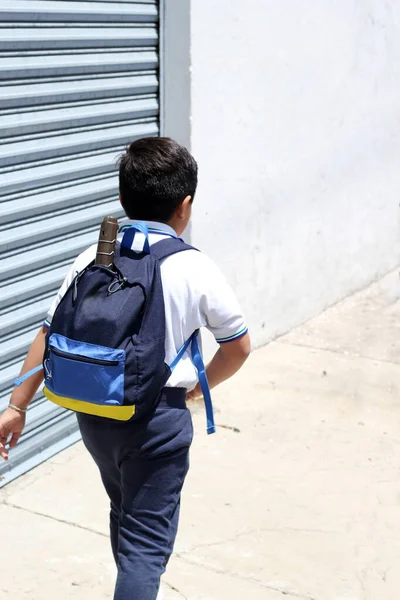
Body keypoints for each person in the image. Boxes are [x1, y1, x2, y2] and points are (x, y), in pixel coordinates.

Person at [0, 137, 251, 600]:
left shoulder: (93, 257)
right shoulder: (195, 267)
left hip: (95, 415)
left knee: (125, 513)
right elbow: (238, 347)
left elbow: (46, 333)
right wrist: (199, 385)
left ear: (122, 198)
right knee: (146, 549)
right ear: (186, 206)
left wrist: (17, 406)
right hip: (157, 424)